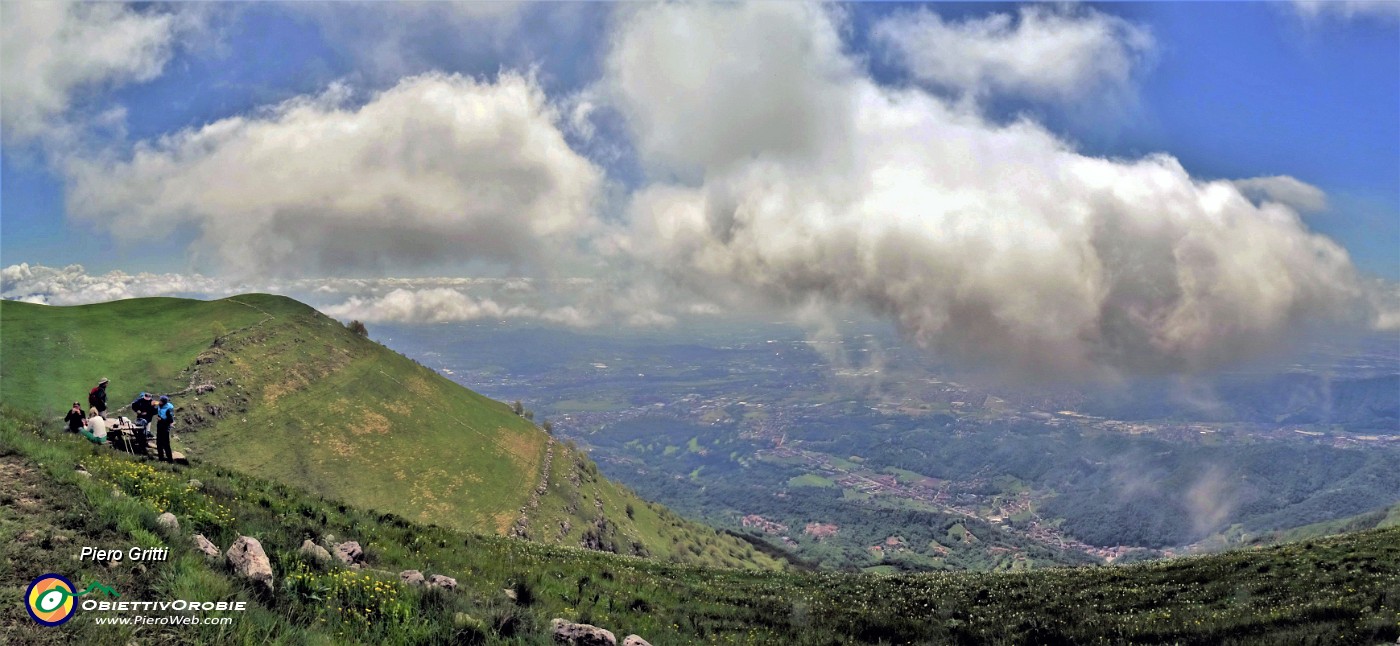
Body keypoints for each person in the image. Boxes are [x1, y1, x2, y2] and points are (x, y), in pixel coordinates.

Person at [155, 395, 175, 463]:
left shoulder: (168, 409)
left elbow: (170, 421)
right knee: (158, 443)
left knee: (166, 444)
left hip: (165, 428)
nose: (159, 401)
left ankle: (170, 460)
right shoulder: (160, 406)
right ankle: (161, 458)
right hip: (159, 427)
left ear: (163, 402)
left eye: (160, 401)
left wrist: (161, 419)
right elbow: (157, 410)